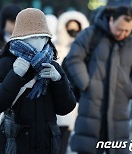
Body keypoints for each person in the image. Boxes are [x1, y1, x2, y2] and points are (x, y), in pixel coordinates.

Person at [0, 8, 76, 154]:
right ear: (20, 38)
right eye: (32, 37)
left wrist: (59, 80)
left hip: (47, 144)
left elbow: (66, 107)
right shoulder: (6, 63)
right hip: (15, 143)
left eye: (42, 37)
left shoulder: (52, 65)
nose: (38, 42)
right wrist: (15, 75)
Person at [64, 6, 132, 154]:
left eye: (128, 30)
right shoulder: (91, 34)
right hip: (91, 104)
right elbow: (74, 58)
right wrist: (85, 84)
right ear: (111, 20)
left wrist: (131, 89)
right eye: (119, 29)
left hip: (119, 108)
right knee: (88, 148)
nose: (123, 34)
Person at [55, 10, 89, 154]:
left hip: (78, 96)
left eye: (76, 29)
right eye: (70, 28)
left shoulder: (84, 49)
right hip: (59, 96)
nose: (73, 31)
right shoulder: (56, 46)